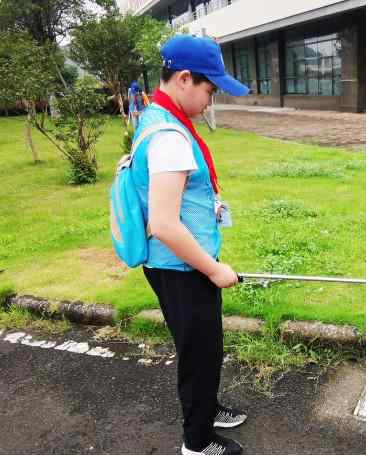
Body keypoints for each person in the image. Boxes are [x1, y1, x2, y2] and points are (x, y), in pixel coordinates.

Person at [130, 35, 250, 455]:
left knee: (200, 347)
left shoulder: (159, 118)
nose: (210, 100)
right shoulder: (169, 137)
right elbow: (163, 223)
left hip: (180, 264)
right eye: (209, 89)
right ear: (184, 78)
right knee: (200, 354)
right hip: (181, 266)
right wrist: (214, 269)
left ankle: (207, 407)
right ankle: (197, 444)